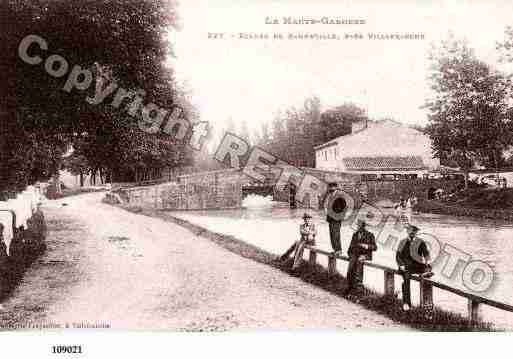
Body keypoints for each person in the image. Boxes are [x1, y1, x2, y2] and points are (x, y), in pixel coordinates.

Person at [396, 224, 433, 311]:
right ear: (407, 232)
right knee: (406, 279)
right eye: (410, 231)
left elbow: (426, 254)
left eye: (414, 232)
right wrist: (401, 265)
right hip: (406, 266)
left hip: (417, 266)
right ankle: (406, 303)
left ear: (416, 233)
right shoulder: (402, 242)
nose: (412, 233)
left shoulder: (421, 242)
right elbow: (398, 256)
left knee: (428, 269)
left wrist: (428, 261)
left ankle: (425, 272)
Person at [346, 219, 377, 293]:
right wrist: (351, 255)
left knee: (360, 261)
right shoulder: (355, 234)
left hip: (365, 255)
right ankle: (350, 286)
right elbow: (350, 248)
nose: (358, 227)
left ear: (363, 226)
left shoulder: (370, 235)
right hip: (355, 255)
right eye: (357, 226)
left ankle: (359, 285)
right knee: (350, 268)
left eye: (359, 226)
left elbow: (375, 247)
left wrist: (366, 246)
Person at [323, 182, 346, 255]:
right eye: (330, 187)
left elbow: (344, 207)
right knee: (332, 234)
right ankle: (335, 249)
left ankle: (338, 250)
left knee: (336, 234)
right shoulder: (330, 196)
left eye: (332, 187)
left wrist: (340, 216)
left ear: (335, 187)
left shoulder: (340, 195)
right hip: (331, 218)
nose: (331, 189)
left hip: (336, 219)